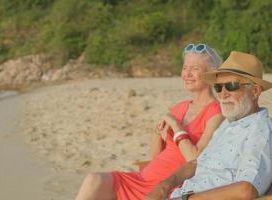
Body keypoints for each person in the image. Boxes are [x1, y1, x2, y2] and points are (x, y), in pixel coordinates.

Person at [75, 43, 224, 200]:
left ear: (210, 74)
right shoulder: (180, 107)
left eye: (194, 69)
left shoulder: (215, 112)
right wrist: (157, 132)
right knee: (94, 179)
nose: (187, 74)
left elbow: (195, 159)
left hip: (169, 185)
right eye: (185, 68)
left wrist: (176, 126)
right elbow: (156, 156)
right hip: (143, 179)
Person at [147, 51, 272, 200]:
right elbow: (196, 163)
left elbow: (246, 190)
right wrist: (165, 185)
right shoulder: (229, 123)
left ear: (255, 91)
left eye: (232, 86)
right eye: (218, 87)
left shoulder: (260, 130)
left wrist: (187, 198)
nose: (222, 95)